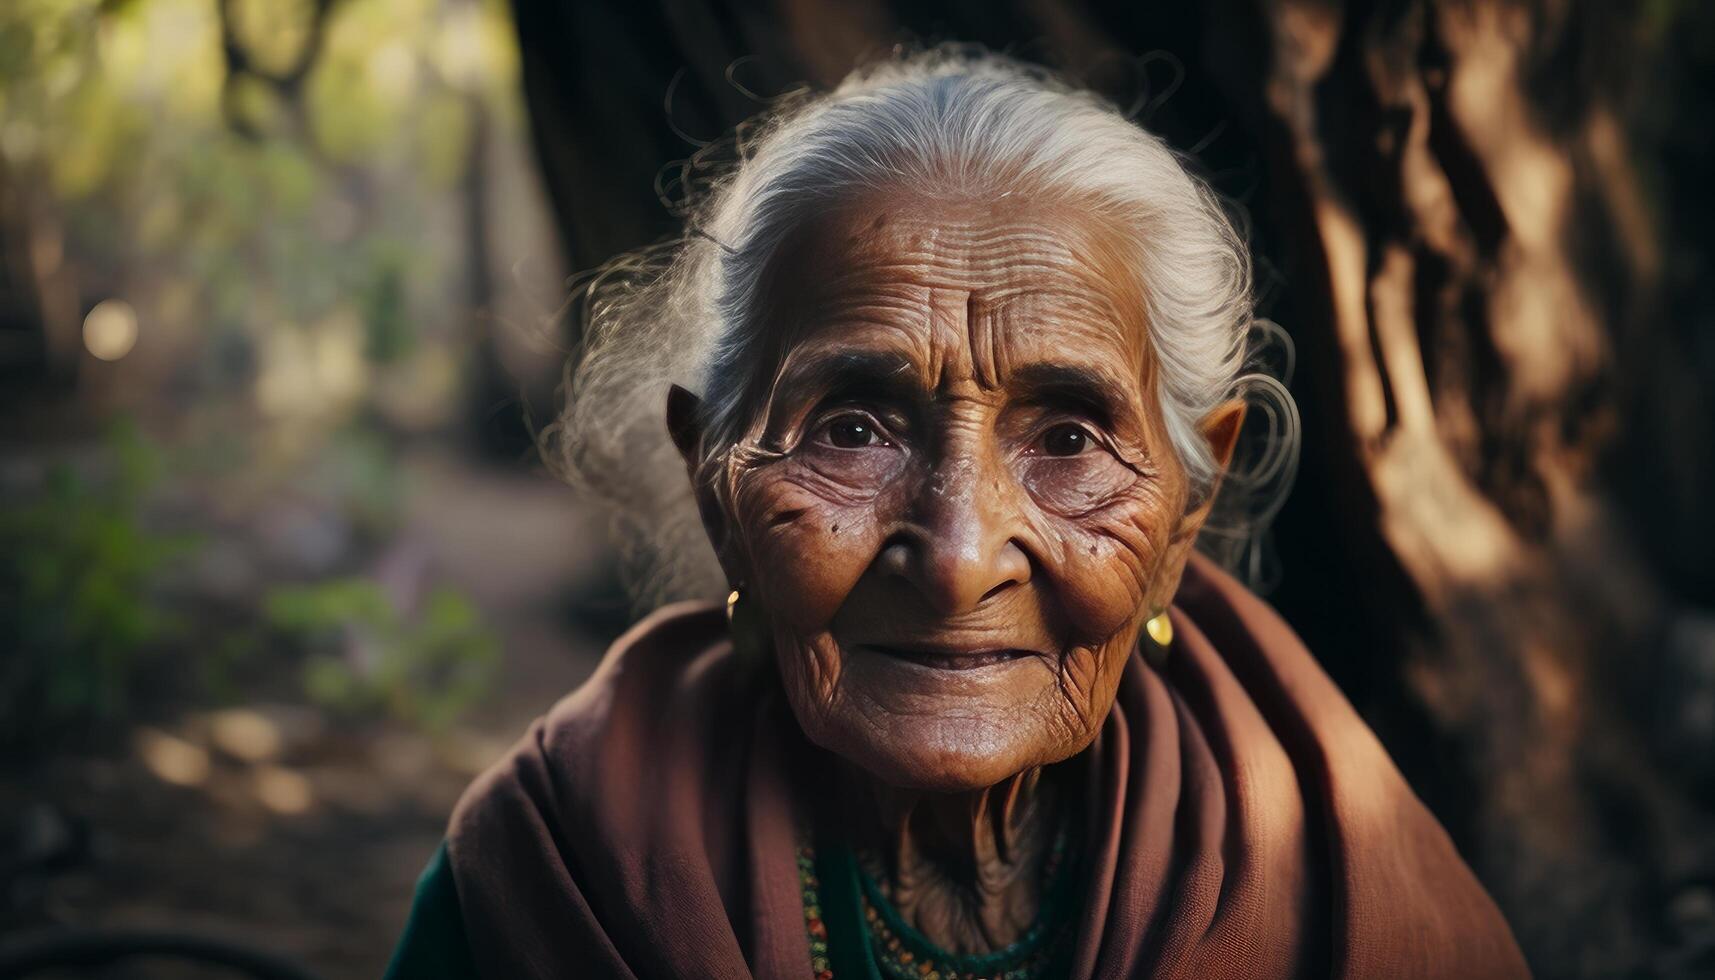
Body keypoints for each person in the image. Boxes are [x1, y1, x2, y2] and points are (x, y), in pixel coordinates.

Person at [386, 50, 1529, 979]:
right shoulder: (557, 861)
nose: (958, 556)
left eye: (1069, 439)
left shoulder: (1333, 874)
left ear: (1189, 504)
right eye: (850, 429)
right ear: (714, 480)